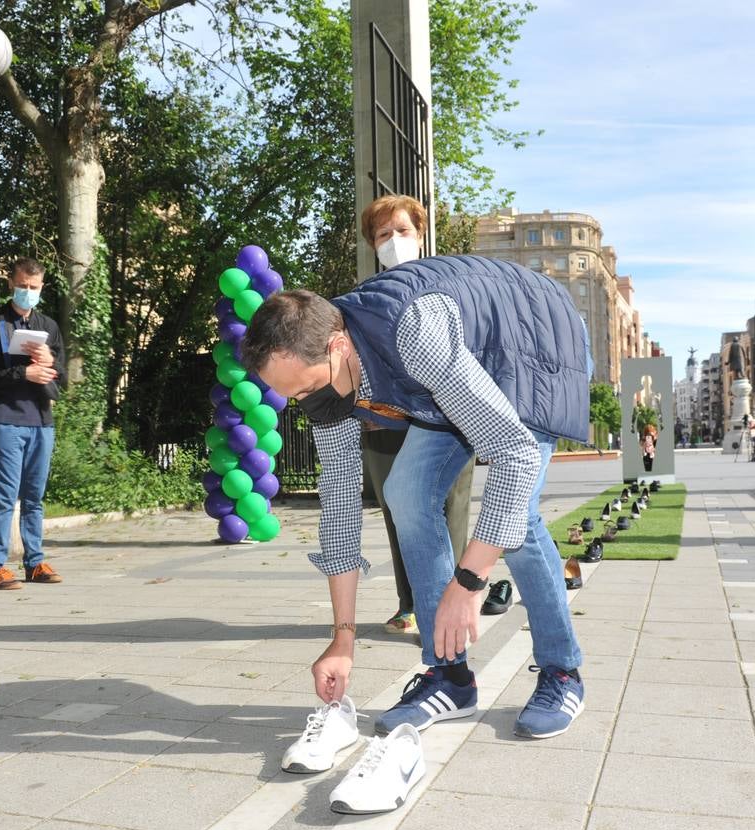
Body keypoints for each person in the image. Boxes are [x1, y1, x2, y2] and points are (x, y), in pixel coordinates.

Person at [241, 254, 592, 740]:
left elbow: (515, 455)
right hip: (455, 371)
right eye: (292, 397)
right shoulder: (326, 376)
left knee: (518, 520)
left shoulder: (415, 335)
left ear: (338, 346)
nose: (307, 404)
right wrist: (342, 641)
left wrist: (468, 583)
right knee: (404, 491)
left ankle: (562, 672)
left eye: (310, 388)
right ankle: (450, 677)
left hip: (532, 343)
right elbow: (341, 507)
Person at [356, 195, 473, 638]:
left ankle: (452, 604)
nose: (394, 241)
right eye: (384, 235)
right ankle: (410, 603)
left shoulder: (453, 285)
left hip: (451, 421)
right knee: (399, 515)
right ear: (374, 245)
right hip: (386, 424)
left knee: (451, 512)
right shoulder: (364, 298)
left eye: (402, 231)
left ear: (420, 236)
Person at [0, 257, 67, 590]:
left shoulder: (49, 326)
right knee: (4, 496)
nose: (28, 292)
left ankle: (34, 562)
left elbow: (62, 379)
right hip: (5, 418)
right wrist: (22, 372)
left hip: (41, 419)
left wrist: (49, 362)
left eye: (34, 287)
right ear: (11, 283)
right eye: (23, 285)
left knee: (35, 496)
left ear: (42, 288)